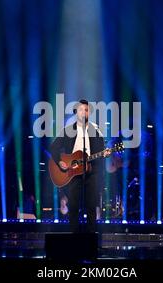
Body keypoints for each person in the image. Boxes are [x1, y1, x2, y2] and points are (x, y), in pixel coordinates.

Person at [49, 99, 111, 233]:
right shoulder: (68, 130)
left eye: (86, 110)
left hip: (91, 172)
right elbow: (54, 147)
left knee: (91, 205)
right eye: (81, 110)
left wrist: (105, 153)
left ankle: (91, 239)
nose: (84, 112)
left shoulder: (96, 130)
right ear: (76, 112)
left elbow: (102, 149)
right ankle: (74, 237)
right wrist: (60, 161)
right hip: (72, 173)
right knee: (74, 205)